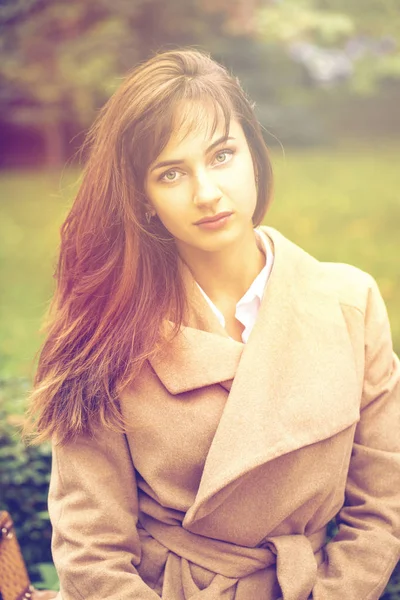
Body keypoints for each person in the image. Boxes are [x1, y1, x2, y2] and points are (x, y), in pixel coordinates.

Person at [25, 48, 400, 600]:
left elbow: (381, 507)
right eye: (172, 172)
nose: (206, 192)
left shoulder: (350, 302)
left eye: (222, 155)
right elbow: (90, 549)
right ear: (144, 199)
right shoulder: (101, 330)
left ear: (254, 155)